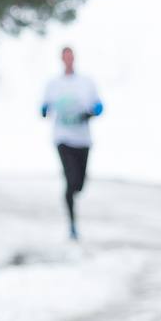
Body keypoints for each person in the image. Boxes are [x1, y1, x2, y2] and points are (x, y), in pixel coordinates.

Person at [40, 46, 103, 239]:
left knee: (79, 184)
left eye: (71, 56)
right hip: (63, 138)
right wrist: (45, 111)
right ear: (61, 59)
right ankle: (72, 225)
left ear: (74, 58)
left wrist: (89, 113)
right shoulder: (53, 84)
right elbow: (43, 107)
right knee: (70, 181)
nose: (68, 60)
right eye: (65, 57)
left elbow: (100, 106)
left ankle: (72, 190)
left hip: (83, 139)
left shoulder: (86, 82)